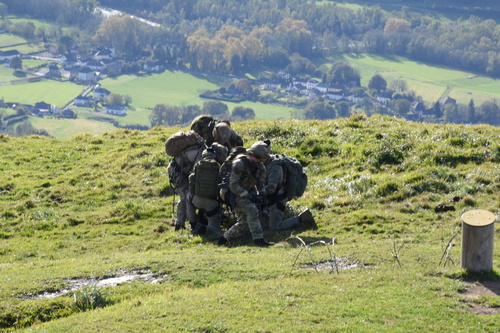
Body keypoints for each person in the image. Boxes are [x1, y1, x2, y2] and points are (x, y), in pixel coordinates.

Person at [217, 141, 272, 247]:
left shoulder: (259, 166)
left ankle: (224, 239)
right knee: (252, 210)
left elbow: (260, 182)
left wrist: (262, 195)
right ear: (250, 153)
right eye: (254, 156)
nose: (256, 159)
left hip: (244, 191)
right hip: (232, 193)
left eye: (258, 158)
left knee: (243, 223)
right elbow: (233, 185)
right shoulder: (239, 164)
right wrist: (249, 196)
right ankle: (258, 240)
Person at [262, 142, 315, 231]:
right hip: (276, 196)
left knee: (274, 227)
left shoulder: (274, 167)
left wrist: (258, 193)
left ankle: (302, 218)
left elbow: (271, 189)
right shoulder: (270, 162)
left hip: (278, 198)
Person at [187, 143, 228, 235]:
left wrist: (193, 193)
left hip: (197, 200)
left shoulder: (198, 165)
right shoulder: (217, 166)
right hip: (212, 203)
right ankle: (204, 228)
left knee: (188, 198)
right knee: (215, 228)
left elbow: (191, 179)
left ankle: (193, 223)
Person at [169, 144, 204, 231]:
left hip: (181, 170)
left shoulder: (200, 151)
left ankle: (189, 218)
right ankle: (179, 224)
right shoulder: (200, 156)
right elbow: (195, 174)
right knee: (185, 197)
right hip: (176, 172)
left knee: (188, 194)